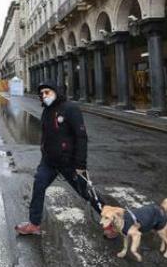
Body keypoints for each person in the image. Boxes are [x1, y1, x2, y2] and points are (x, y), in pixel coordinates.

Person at [15, 82, 117, 238]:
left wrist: (80, 164)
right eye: (42, 93)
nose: (44, 95)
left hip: (70, 163)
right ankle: (33, 224)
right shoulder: (47, 111)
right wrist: (44, 154)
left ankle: (110, 222)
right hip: (49, 162)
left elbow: (81, 137)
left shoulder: (70, 109)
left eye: (47, 92)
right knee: (38, 187)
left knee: (87, 193)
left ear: (55, 91)